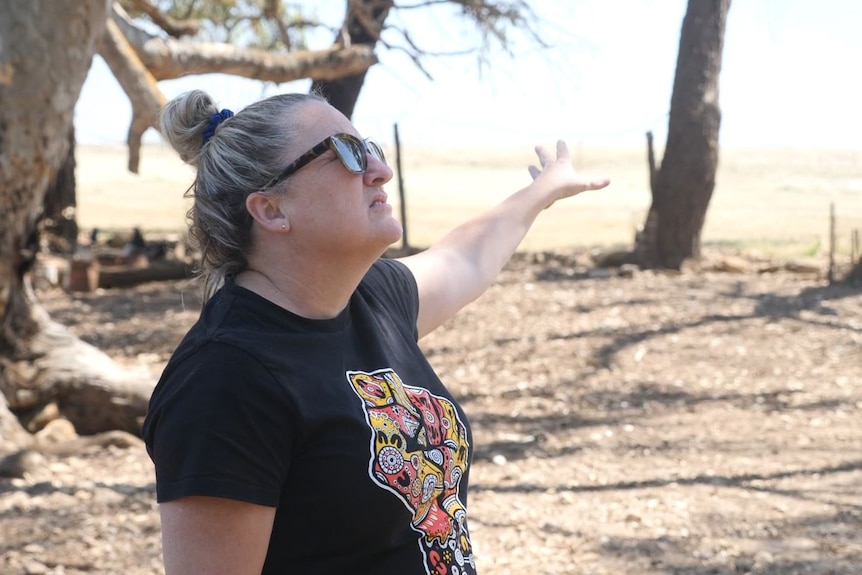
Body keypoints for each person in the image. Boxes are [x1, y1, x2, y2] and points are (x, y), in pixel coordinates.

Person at [141, 89, 610, 575]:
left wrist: (542, 191)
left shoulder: (370, 299)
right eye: (344, 152)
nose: (379, 170)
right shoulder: (225, 377)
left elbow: (464, 258)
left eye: (372, 149)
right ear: (272, 210)